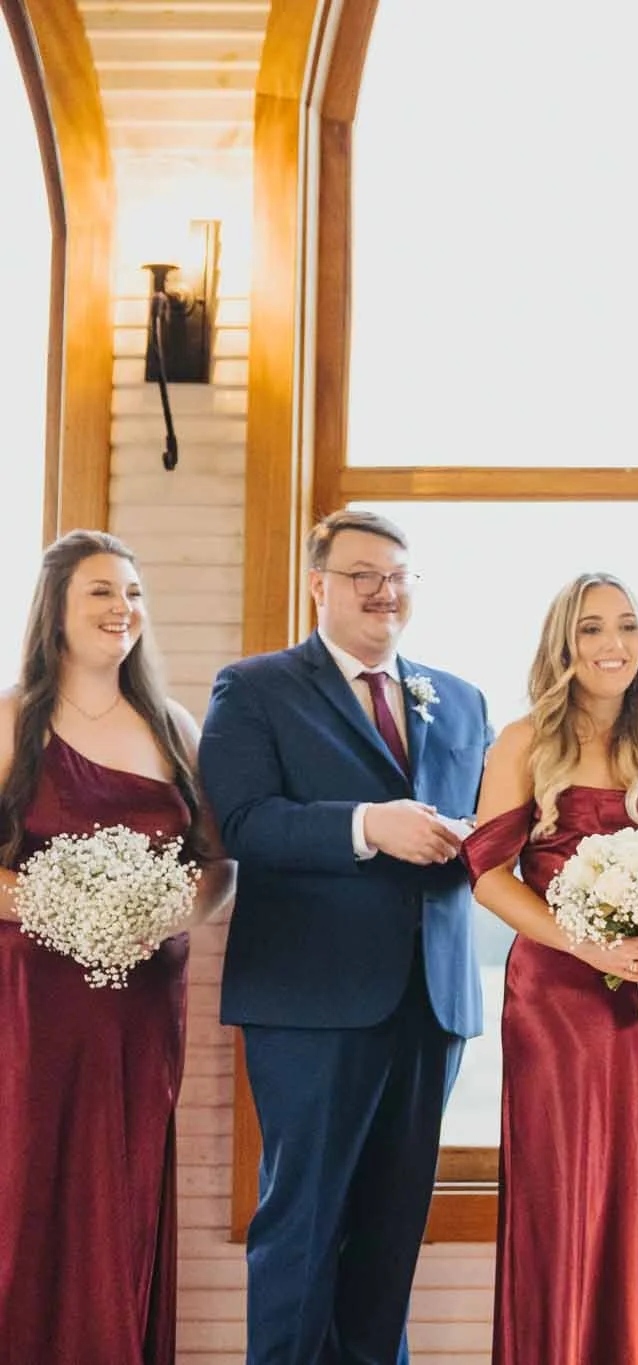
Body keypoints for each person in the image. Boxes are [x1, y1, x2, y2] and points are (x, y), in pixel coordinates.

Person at [200, 509, 489, 1365]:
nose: (383, 590)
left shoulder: (461, 698)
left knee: (392, 1232)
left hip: (432, 999)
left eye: (397, 574)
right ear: (317, 585)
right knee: (303, 1223)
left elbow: (490, 821)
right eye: (362, 573)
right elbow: (243, 823)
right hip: (310, 999)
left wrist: (472, 836)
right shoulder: (254, 688)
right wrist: (368, 824)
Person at [0, 530, 233, 1363]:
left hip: (143, 1001)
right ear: (56, 609)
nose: (122, 608)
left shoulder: (172, 725)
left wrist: (168, 915)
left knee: (124, 1183)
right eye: (101, 590)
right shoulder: (13, 719)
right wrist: (65, 905)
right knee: (30, 1180)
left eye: (133, 592)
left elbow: (218, 865)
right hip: (36, 999)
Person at [463, 572, 638, 1364]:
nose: (612, 644)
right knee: (565, 1194)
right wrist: (588, 945)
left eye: (627, 625)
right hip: (558, 1005)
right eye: (592, 627)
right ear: (564, 644)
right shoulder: (525, 741)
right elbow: (488, 874)